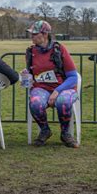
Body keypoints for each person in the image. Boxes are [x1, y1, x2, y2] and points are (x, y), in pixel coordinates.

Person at [24, 20, 79, 148]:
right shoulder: (30, 52)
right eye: (31, 34)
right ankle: (45, 130)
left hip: (64, 87)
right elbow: (32, 75)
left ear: (45, 35)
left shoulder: (59, 49)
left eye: (34, 34)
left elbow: (72, 77)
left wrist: (57, 91)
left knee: (63, 101)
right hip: (41, 88)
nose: (31, 37)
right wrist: (27, 76)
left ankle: (65, 133)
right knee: (35, 103)